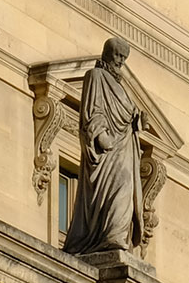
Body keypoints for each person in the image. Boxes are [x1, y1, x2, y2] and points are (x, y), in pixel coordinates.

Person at [61, 40, 144, 255]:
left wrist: (138, 120)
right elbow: (92, 109)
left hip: (124, 148)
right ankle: (107, 236)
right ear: (108, 54)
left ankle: (115, 235)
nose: (120, 62)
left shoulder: (121, 86)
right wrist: (99, 134)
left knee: (125, 185)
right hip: (106, 149)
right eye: (117, 56)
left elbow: (127, 116)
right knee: (119, 184)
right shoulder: (95, 76)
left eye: (123, 58)